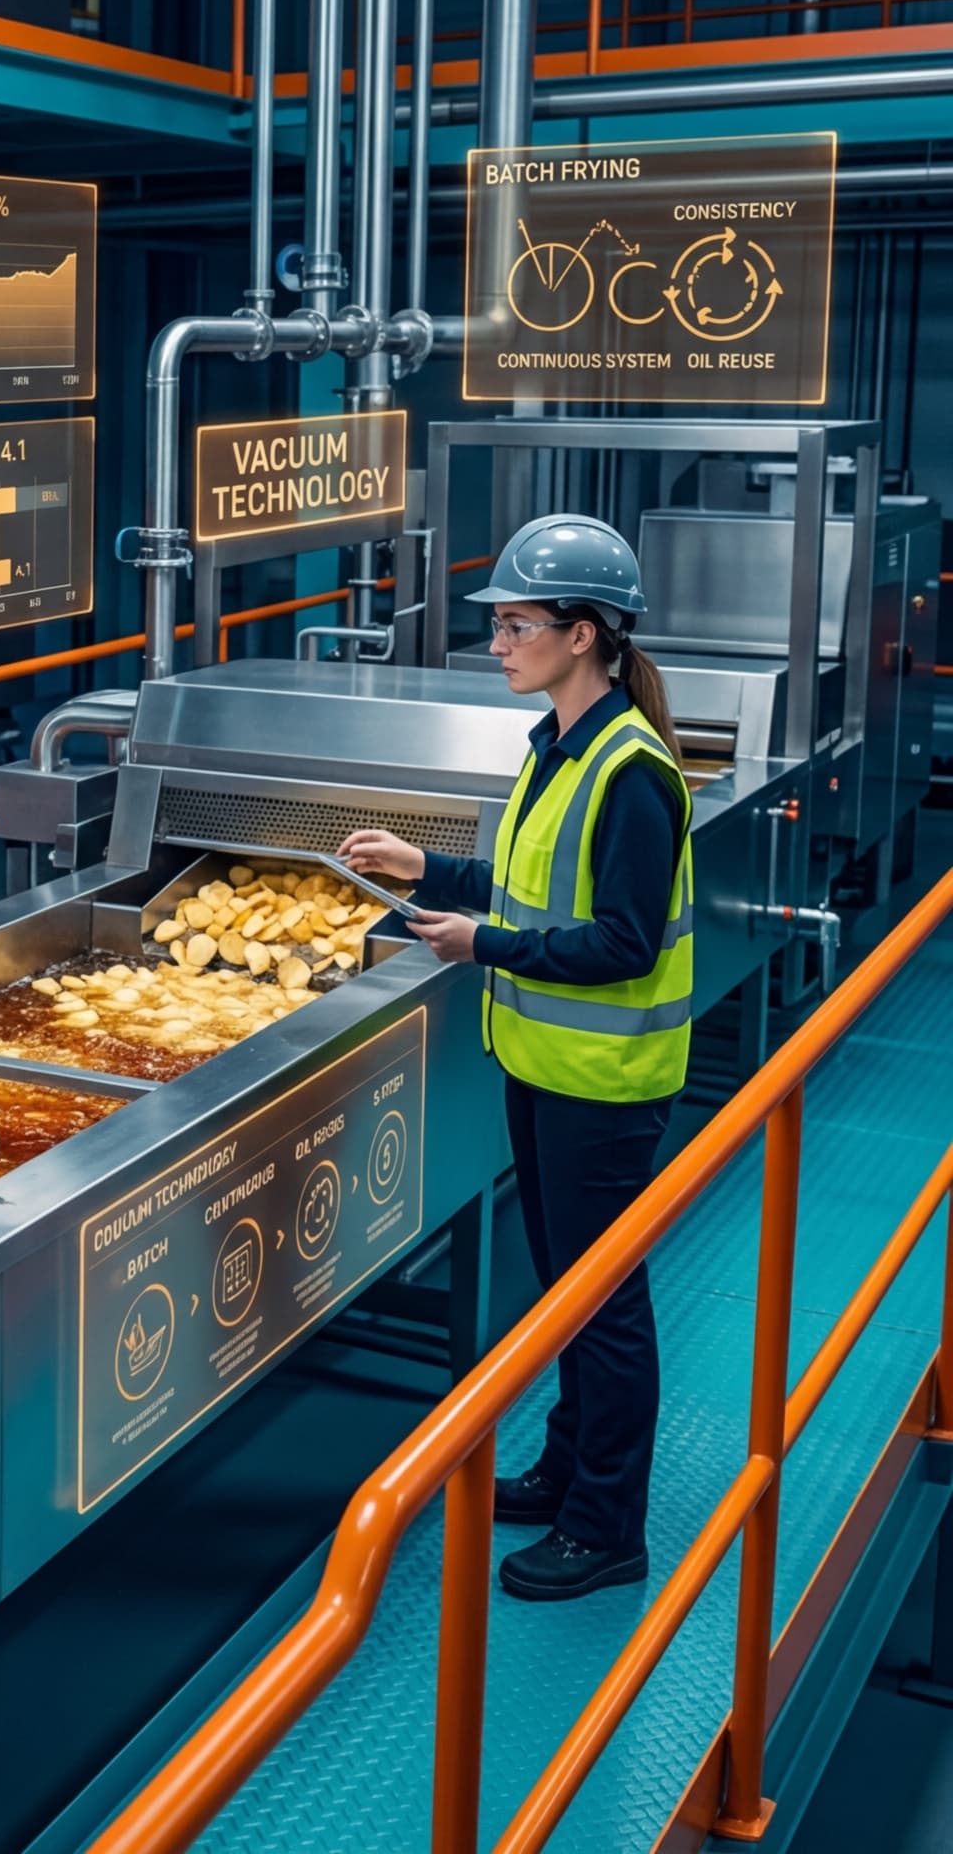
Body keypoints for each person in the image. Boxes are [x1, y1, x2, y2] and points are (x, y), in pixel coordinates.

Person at [338, 515, 693, 1602]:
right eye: (497, 624)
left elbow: (620, 940)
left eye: (515, 625)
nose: (496, 642)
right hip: (542, 1066)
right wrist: (432, 870)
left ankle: (604, 1525)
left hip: (604, 1084)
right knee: (562, 1292)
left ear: (583, 634)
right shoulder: (557, 743)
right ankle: (563, 1464)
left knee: (602, 1300)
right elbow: (537, 890)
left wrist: (479, 944)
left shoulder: (630, 770)